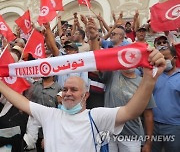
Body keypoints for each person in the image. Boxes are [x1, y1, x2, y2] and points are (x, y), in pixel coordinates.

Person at [0, 47, 165, 151]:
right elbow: (22, 102)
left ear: (86, 95)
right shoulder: (50, 114)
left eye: (74, 89)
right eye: (64, 89)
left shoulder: (96, 116)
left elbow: (131, 111)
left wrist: (149, 79)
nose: (67, 93)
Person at [102, 68, 156, 152]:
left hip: (131, 135)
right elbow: (103, 62)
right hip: (110, 133)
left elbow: (148, 115)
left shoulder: (143, 83)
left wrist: (148, 143)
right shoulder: (112, 75)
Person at [152, 46, 180, 152]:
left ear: (175, 58)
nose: (163, 61)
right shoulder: (155, 75)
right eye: (161, 58)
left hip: (174, 127)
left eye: (166, 58)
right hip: (153, 126)